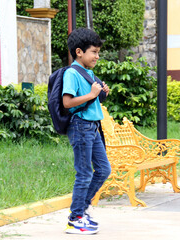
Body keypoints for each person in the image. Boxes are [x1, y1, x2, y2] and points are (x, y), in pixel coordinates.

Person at [62, 28, 111, 235]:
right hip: (80, 126)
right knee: (84, 174)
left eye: (98, 52)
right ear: (79, 51)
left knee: (104, 169)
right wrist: (92, 93)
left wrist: (101, 94)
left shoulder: (89, 73)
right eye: (94, 52)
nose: (97, 57)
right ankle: (75, 218)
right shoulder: (72, 73)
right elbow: (67, 102)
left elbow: (91, 100)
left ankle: (81, 210)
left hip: (93, 126)